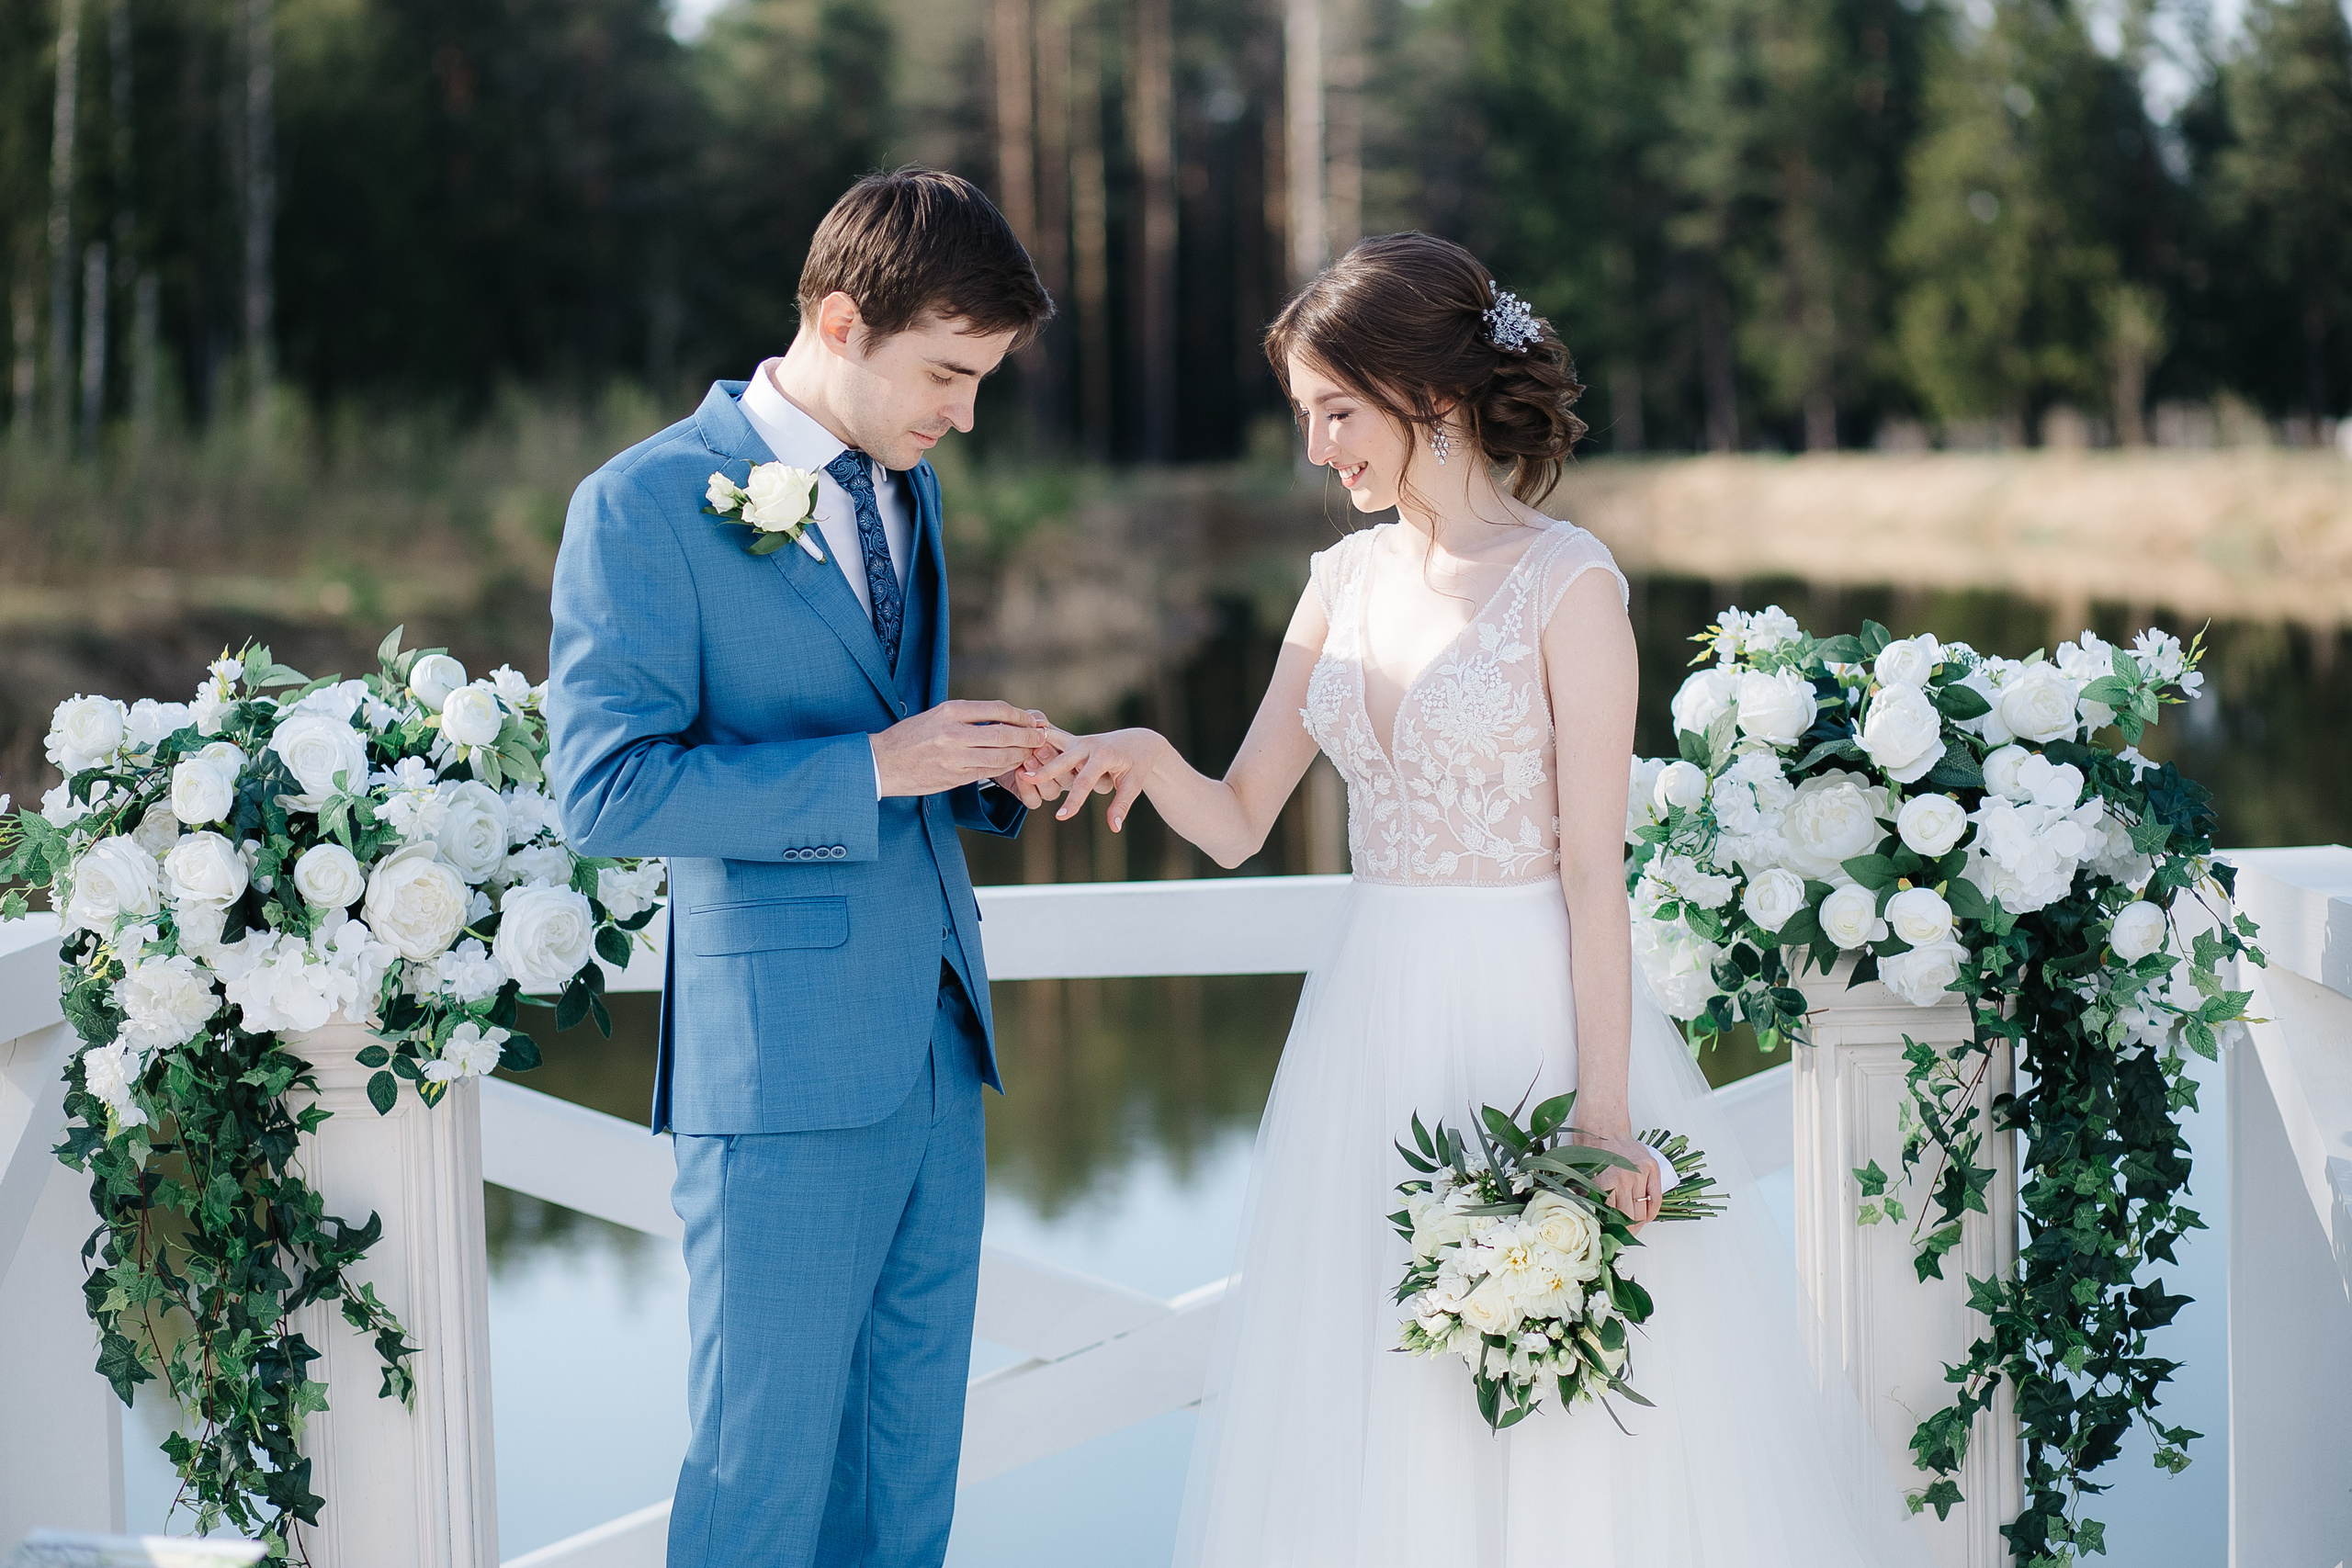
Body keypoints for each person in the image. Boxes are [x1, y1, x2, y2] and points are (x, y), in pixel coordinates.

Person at [1029, 231, 1933, 1566]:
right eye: (1306, 418)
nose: (1321, 447)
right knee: (1380, 1385)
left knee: (1552, 1401)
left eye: (1337, 412)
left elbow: (1592, 869)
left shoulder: (1569, 585)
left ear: (1426, 398)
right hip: (1370, 1024)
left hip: (1528, 1017)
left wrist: (1607, 1107)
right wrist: (1151, 756)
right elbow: (1233, 824)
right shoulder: (1339, 581)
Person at [545, 168, 1060, 1568]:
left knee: (905, 1483)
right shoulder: (641, 504)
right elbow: (601, 792)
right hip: (775, 1072)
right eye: (947, 375)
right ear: (840, 320)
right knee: (758, 1481)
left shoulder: (908, 485)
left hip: (939, 1046)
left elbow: (888, 724)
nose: (960, 415)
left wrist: (984, 768)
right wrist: (878, 770)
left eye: (979, 382)